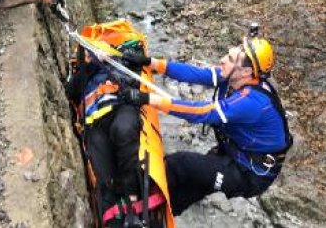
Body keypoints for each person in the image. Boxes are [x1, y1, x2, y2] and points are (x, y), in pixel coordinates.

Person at [122, 26, 293, 214]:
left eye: (230, 59)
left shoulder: (253, 102)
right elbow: (196, 74)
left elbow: (203, 112)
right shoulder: (234, 76)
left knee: (179, 164)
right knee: (192, 186)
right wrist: (151, 62)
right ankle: (160, 213)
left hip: (249, 173)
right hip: (233, 152)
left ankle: (137, 201)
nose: (222, 60)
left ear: (245, 72)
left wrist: (148, 99)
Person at [65, 39, 144, 227]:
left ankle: (133, 202)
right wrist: (92, 65)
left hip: (121, 108)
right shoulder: (85, 73)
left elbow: (139, 73)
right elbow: (71, 91)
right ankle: (113, 217)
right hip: (95, 123)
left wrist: (117, 58)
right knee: (104, 177)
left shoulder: (121, 63)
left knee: (123, 131)